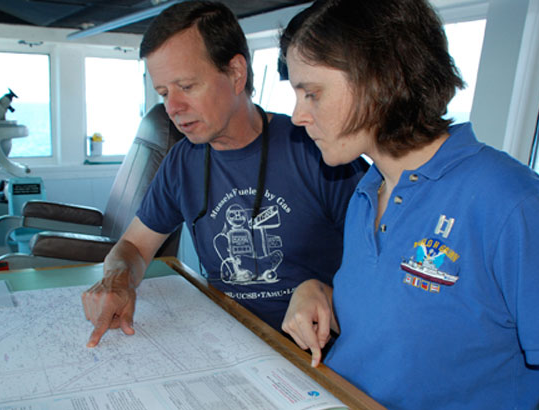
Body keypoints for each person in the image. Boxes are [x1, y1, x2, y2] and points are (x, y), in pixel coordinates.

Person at [279, 0, 539, 410]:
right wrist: (314, 290)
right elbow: (404, 320)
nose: (299, 116)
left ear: (379, 77)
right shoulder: (366, 191)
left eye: (313, 93)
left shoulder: (517, 207)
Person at [81, 1, 367, 346]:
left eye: (186, 86)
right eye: (163, 93)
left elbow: (383, 277)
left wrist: (325, 292)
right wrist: (118, 279)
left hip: (313, 354)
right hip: (227, 343)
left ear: (235, 73)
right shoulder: (181, 162)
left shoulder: (317, 148)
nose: (172, 108)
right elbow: (132, 247)